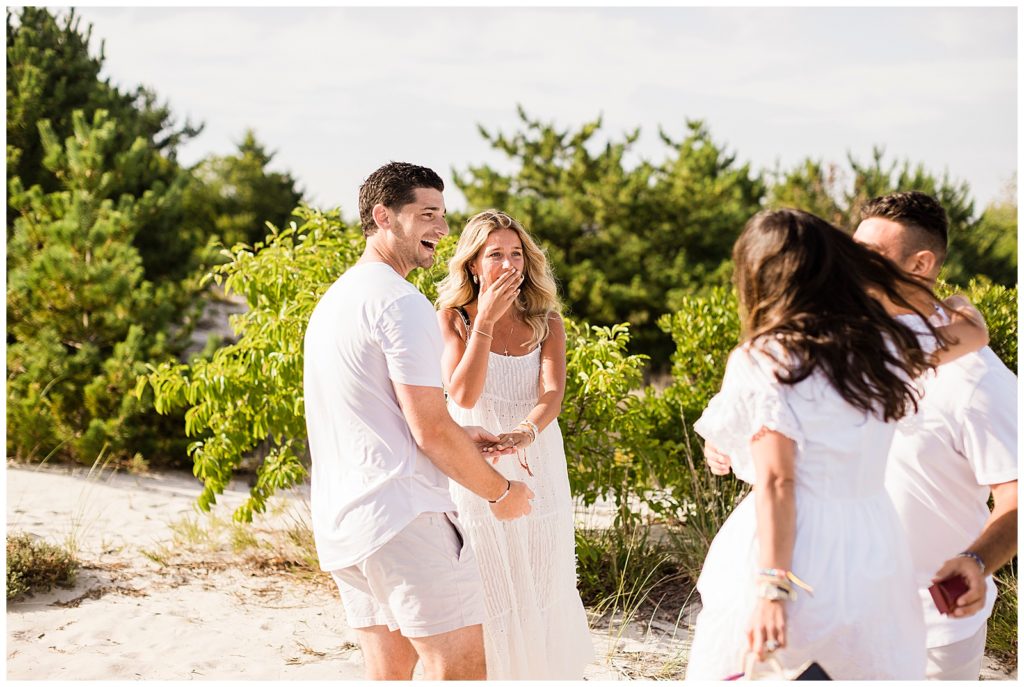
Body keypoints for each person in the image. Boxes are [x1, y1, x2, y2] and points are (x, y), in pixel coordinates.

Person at [684, 208, 988, 680]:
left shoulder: (764, 356)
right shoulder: (882, 346)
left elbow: (779, 482)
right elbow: (972, 328)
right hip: (874, 542)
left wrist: (772, 588)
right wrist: (919, 291)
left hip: (790, 546)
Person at [303, 163, 534, 681]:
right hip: (404, 520)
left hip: (346, 525)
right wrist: (501, 494)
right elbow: (429, 430)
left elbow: (379, 413)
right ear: (383, 217)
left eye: (444, 215)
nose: (443, 229)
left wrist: (459, 432)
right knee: (460, 671)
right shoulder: (400, 302)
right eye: (427, 214)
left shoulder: (335, 300)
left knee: (390, 676)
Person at [854, 191, 1017, 680]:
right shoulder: (855, 347)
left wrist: (976, 560)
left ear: (920, 263)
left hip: (931, 627)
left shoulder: (976, 380)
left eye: (869, 255)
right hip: (840, 612)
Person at [433, 209, 594, 679]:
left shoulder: (547, 322)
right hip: (475, 463)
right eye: (495, 254)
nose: (508, 264)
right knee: (486, 580)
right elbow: (462, 394)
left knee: (543, 578)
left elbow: (552, 394)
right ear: (474, 265)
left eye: (516, 253)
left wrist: (526, 431)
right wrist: (485, 319)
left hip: (536, 458)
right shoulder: (453, 319)